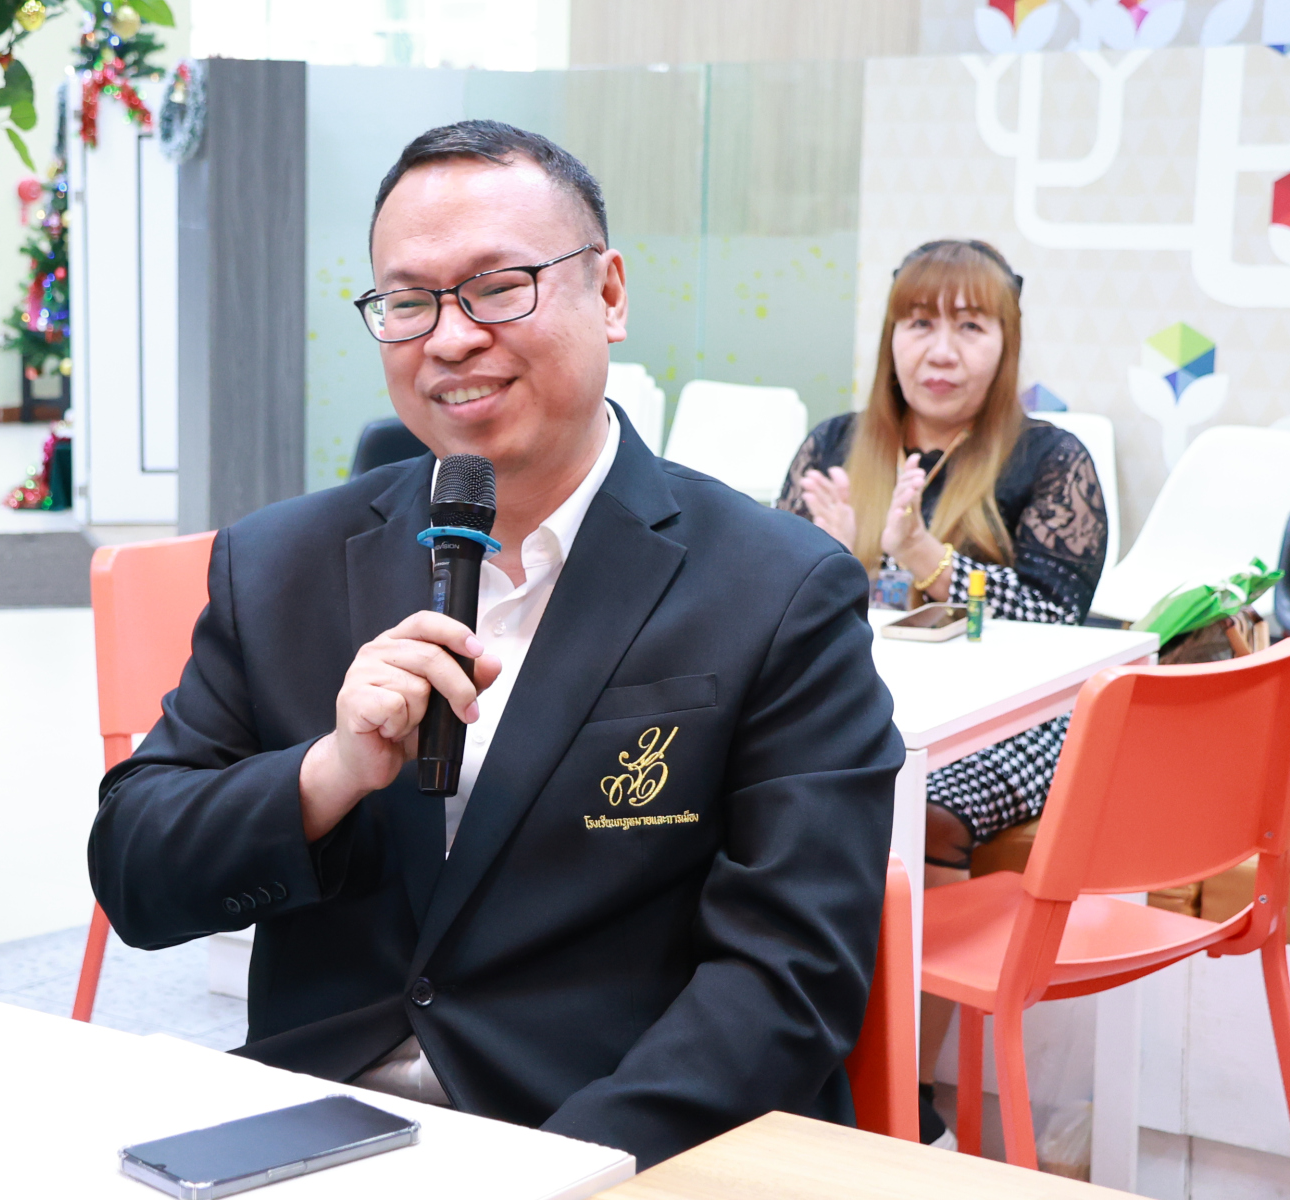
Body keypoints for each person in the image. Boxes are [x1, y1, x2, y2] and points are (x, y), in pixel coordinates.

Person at [90, 120, 903, 1169]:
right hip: (315, 1131)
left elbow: (790, 978)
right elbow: (137, 875)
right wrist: (326, 775)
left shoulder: (777, 589)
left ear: (609, 294)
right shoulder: (280, 562)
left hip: (608, 1145)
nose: (451, 337)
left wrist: (552, 1176)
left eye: (498, 287)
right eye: (409, 301)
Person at [776, 238, 1108, 1145]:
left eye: (970, 326)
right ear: (891, 336)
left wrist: (929, 558)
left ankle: (905, 1103)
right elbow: (767, 601)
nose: (942, 350)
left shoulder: (1051, 458)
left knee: (920, 812)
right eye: (920, 324)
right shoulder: (834, 443)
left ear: (1007, 342)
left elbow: (1058, 619)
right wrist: (830, 566)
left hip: (1017, 723)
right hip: (875, 704)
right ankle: (798, 1073)